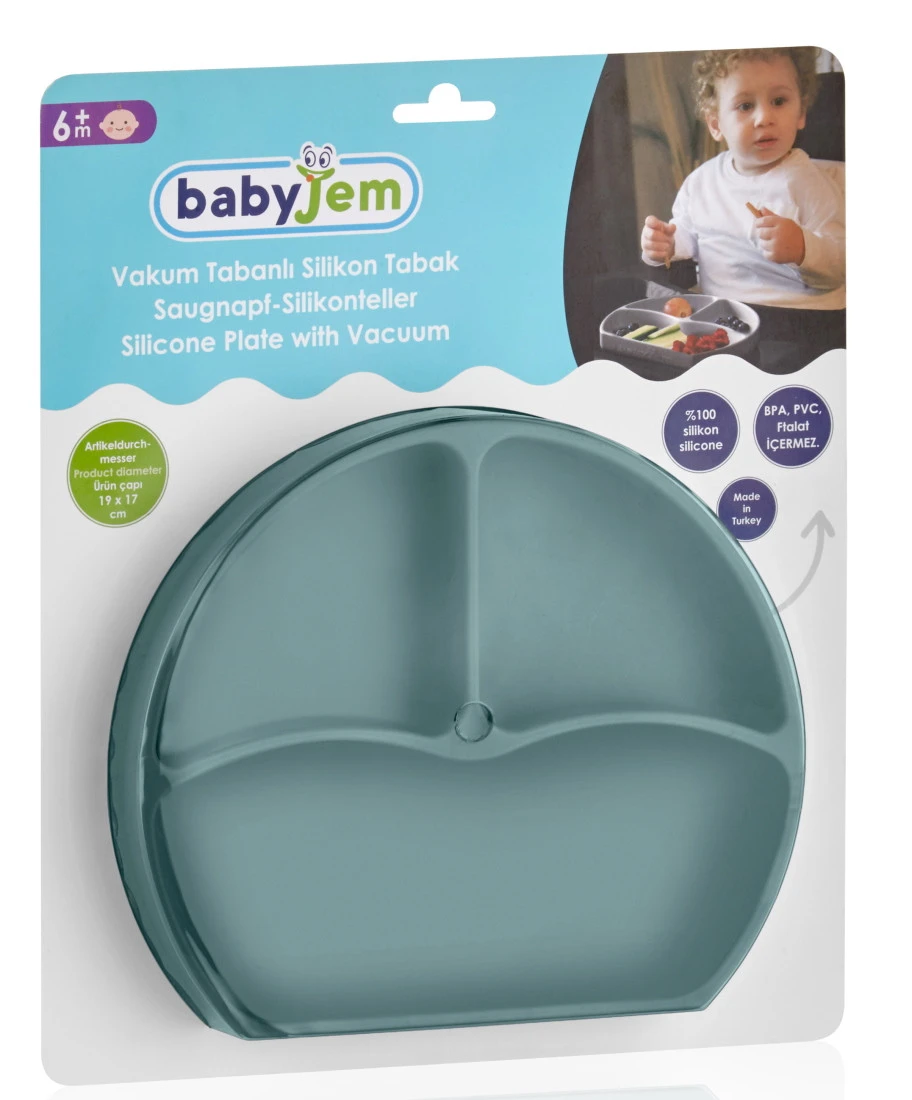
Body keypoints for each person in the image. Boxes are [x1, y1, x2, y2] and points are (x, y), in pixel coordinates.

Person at [641, 48, 845, 312]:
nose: (765, 118)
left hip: (801, 319)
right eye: (745, 106)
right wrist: (665, 245)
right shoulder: (701, 183)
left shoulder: (809, 183)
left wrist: (803, 248)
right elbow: (686, 236)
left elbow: (842, 264)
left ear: (801, 113)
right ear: (716, 124)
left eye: (779, 101)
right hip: (725, 317)